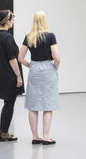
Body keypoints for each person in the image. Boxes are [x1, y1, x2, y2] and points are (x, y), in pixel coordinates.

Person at [18, 11, 60, 145]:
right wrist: (55, 66)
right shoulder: (50, 36)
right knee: (48, 104)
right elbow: (56, 57)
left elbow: (20, 58)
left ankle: (35, 136)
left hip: (34, 69)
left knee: (33, 104)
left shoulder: (28, 37)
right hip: (48, 68)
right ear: (44, 21)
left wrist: (30, 65)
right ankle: (46, 137)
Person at [0, 10, 24, 142]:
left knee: (7, 103)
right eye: (12, 19)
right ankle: (4, 133)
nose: (13, 22)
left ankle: (2, 130)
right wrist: (18, 76)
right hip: (8, 75)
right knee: (10, 103)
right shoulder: (7, 37)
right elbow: (12, 59)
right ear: (7, 21)